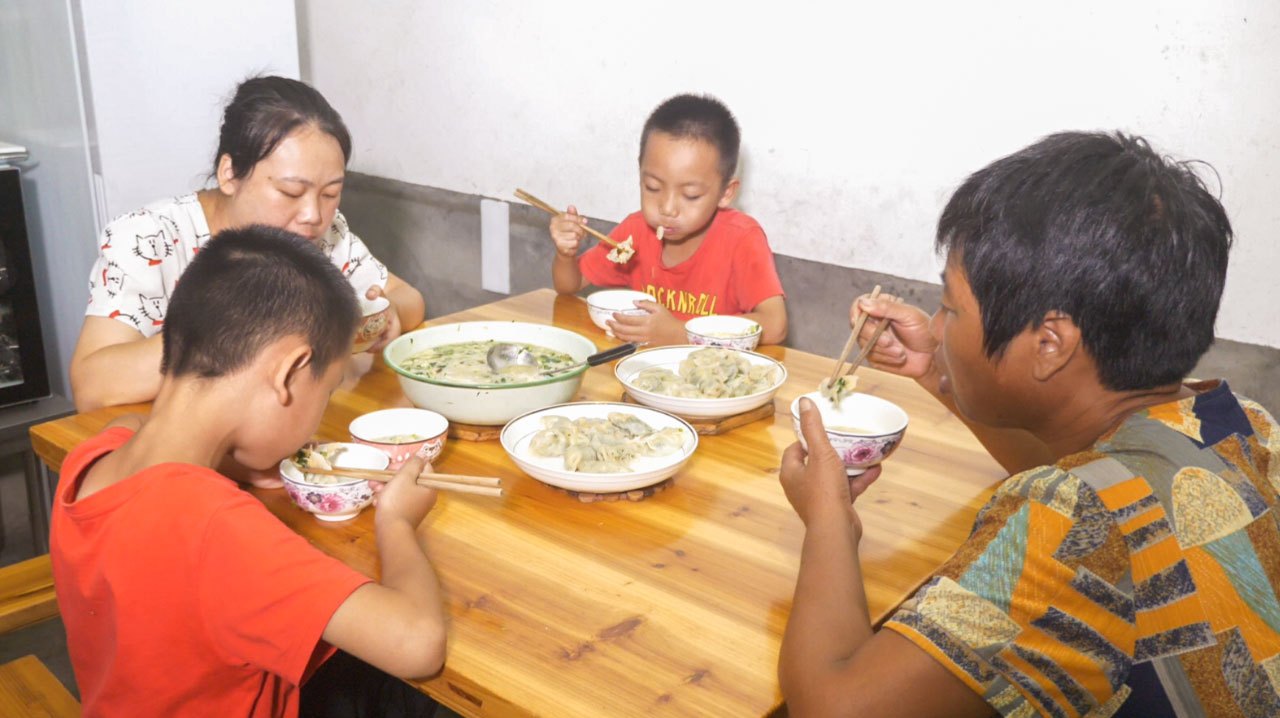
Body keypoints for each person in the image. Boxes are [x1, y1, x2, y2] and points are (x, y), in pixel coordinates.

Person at [777, 132, 1280, 717]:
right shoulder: (1244, 423)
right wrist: (936, 371)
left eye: (952, 307)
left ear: (1048, 344)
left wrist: (829, 518)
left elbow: (832, 709)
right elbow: (1097, 485)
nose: (937, 328)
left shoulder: (1072, 520)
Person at [50, 226, 444, 716]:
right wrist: (397, 521)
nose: (318, 415)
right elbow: (417, 644)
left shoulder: (91, 461)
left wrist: (239, 459)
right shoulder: (216, 529)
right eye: (326, 392)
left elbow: (128, 422)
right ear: (288, 373)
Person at [70, 75, 425, 412]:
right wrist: (241, 333)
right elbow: (92, 385)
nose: (313, 214)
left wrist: (388, 313)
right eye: (291, 191)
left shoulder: (323, 235)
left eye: (331, 193)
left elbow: (409, 298)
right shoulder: (150, 237)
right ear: (229, 173)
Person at [549, 94, 787, 346]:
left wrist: (680, 333)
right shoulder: (636, 232)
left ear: (725, 193)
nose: (668, 208)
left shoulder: (741, 238)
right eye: (652, 187)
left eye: (690, 195)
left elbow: (775, 325)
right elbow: (569, 285)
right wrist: (566, 254)